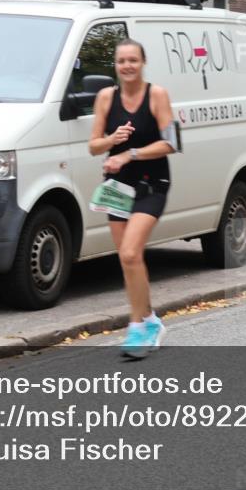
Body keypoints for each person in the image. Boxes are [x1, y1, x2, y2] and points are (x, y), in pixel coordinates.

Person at [89, 38, 178, 359]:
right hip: (118, 187)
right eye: (121, 61)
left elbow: (172, 144)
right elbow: (94, 146)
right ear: (115, 65)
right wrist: (112, 140)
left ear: (143, 63)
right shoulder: (105, 98)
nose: (127, 66)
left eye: (133, 60)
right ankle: (150, 319)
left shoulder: (157, 95)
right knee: (128, 260)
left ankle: (137, 325)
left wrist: (129, 154)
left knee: (129, 251)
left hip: (152, 183)